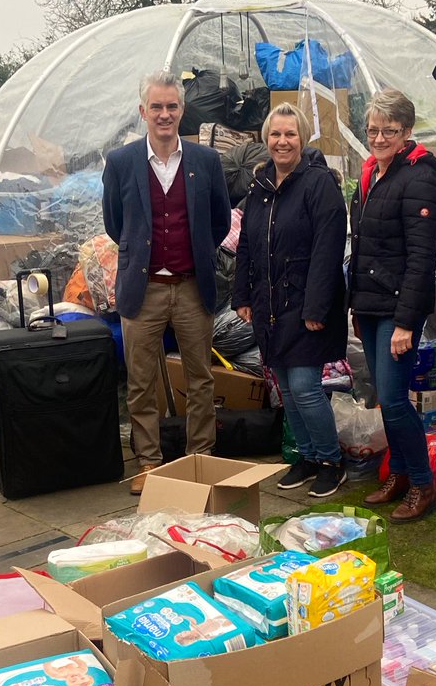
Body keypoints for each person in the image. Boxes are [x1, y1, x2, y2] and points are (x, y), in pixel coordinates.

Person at [102, 71, 231, 494]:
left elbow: (219, 221)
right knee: (140, 381)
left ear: (182, 110)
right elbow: (115, 224)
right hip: (144, 290)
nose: (164, 114)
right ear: (143, 111)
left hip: (193, 286)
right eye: (156, 106)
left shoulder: (205, 161)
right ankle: (148, 463)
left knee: (201, 378)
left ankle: (201, 458)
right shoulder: (122, 162)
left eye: (171, 106)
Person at [233, 103, 348, 499]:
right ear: (266, 139)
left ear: (302, 138)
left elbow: (328, 250)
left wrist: (316, 308)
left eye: (290, 134)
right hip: (269, 305)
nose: (282, 141)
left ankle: (331, 461)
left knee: (305, 386)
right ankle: (309, 456)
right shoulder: (260, 185)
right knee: (285, 387)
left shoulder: (319, 184)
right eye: (275, 134)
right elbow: (246, 245)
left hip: (305, 304)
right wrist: (242, 295)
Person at [349, 88, 436, 522]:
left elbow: (422, 257)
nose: (379, 138)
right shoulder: (371, 173)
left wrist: (406, 322)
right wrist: (356, 305)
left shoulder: (419, 175)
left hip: (396, 309)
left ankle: (423, 484)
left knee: (394, 398)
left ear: (406, 131)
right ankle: (400, 474)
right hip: (370, 304)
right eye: (373, 130)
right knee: (385, 399)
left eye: (389, 130)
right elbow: (365, 246)